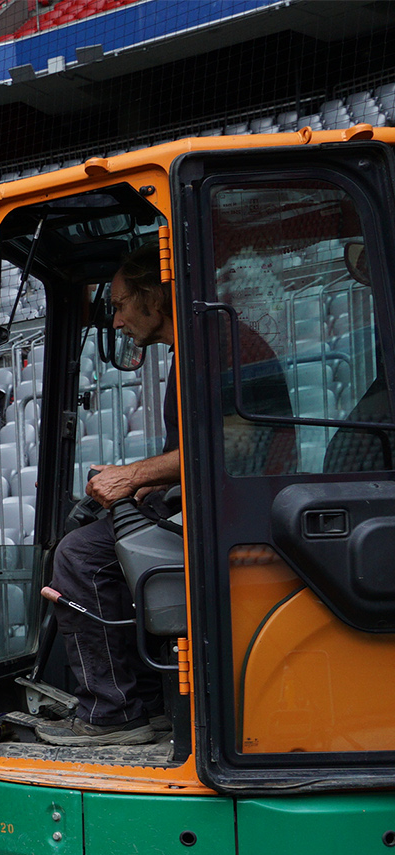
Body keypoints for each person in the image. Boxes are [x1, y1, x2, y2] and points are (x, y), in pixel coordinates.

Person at [35, 244, 276, 746]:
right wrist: (137, 480)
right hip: (216, 503)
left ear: (154, 294)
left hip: (238, 513)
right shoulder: (196, 349)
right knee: (99, 533)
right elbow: (195, 453)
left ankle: (114, 712)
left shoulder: (218, 348)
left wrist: (134, 475)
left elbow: (234, 446)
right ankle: (143, 703)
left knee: (80, 555)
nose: (117, 320)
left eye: (121, 304)